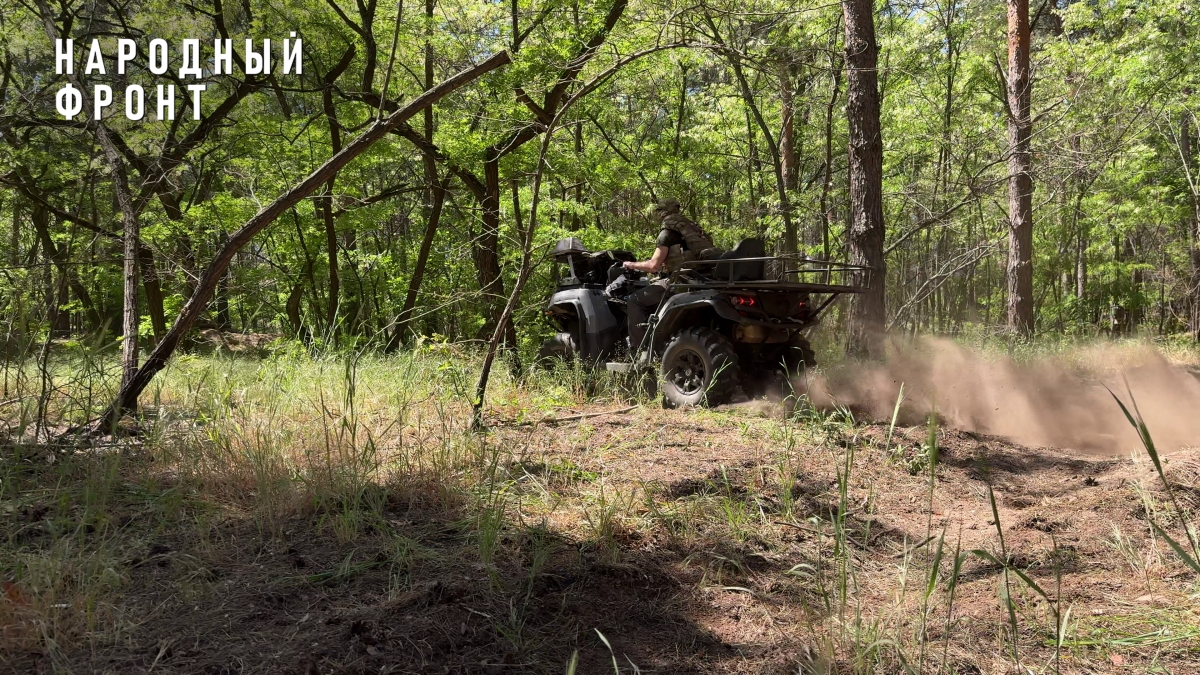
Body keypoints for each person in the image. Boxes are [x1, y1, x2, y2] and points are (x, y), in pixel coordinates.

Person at [622, 198, 719, 359]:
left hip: (679, 281)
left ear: (663, 212)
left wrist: (631, 264)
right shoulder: (692, 229)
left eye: (658, 211)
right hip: (700, 278)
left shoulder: (666, 233)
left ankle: (639, 352)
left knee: (634, 300)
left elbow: (654, 265)